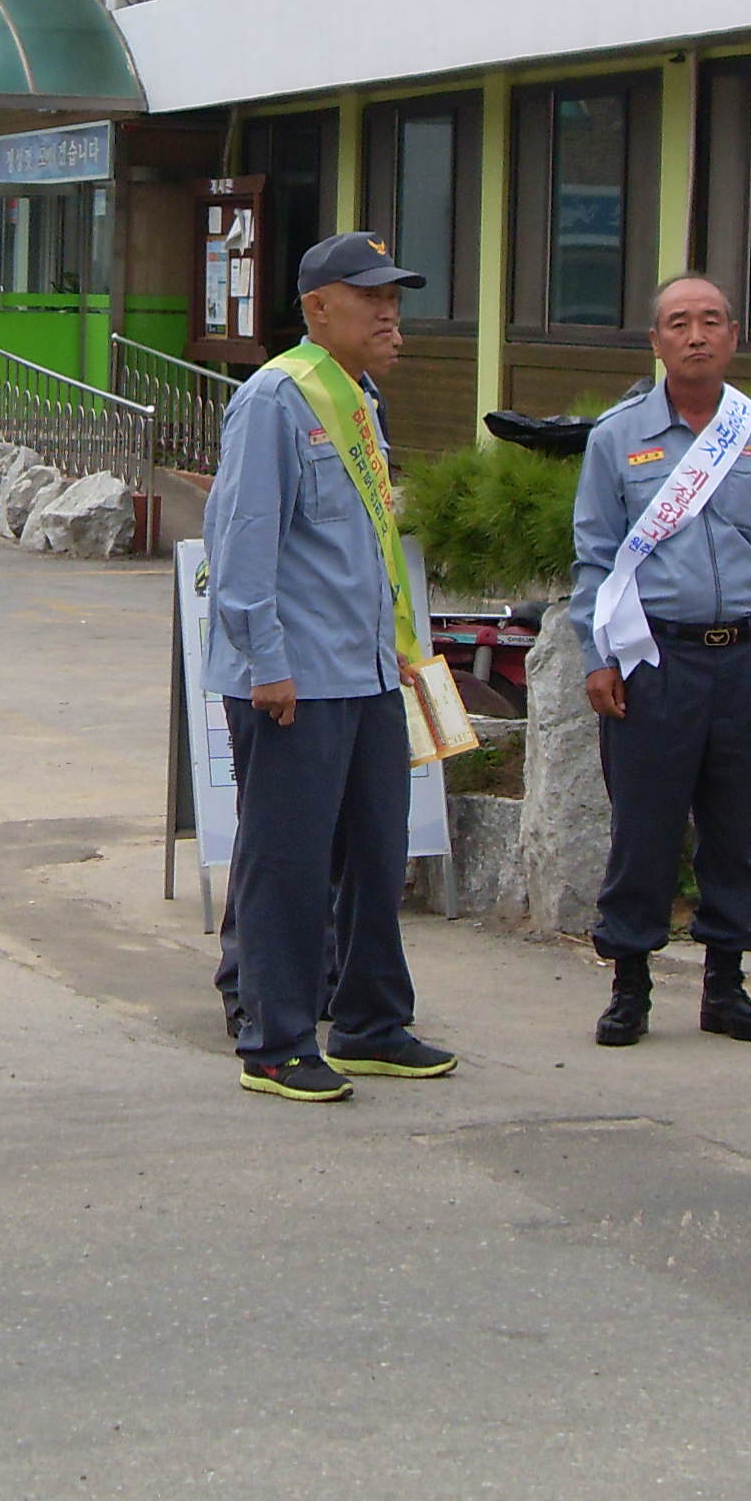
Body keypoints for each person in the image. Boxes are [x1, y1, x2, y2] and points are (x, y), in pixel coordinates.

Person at [202, 230, 458, 1104]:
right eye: (371, 297)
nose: (390, 315)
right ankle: (275, 1041)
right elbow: (243, 540)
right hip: (295, 679)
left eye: (394, 298)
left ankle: (372, 1024)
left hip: (368, 673)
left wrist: (404, 655)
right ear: (318, 308)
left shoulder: (360, 399)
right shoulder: (278, 397)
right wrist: (265, 660)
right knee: (287, 863)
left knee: (377, 856)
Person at [569, 277, 751, 1048]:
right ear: (656, 341)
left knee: (732, 828)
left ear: (733, 335)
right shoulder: (616, 437)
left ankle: (726, 987)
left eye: (710, 322)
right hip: (654, 659)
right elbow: (594, 558)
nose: (695, 336)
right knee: (645, 826)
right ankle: (629, 985)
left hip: (741, 658)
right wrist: (598, 656)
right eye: (678, 323)